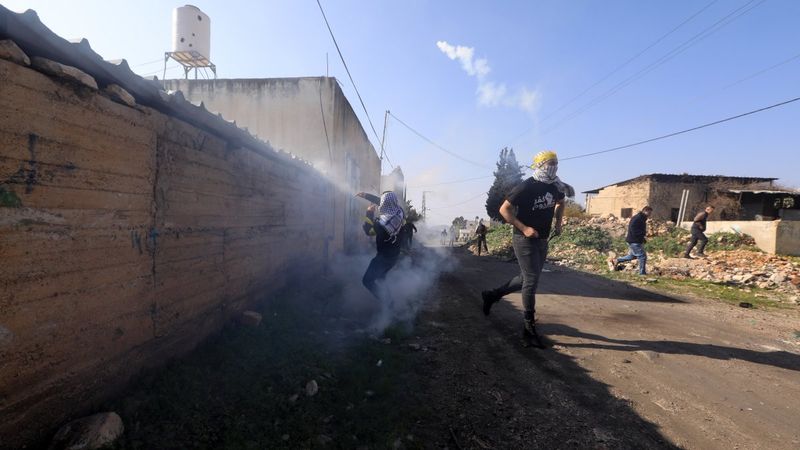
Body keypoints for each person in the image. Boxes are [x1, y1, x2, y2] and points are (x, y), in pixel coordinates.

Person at [480, 150, 573, 348]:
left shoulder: (556, 185)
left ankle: (492, 295)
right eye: (549, 163)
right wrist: (524, 228)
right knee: (531, 280)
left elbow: (561, 202)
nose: (553, 166)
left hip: (543, 239)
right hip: (523, 238)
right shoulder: (527, 186)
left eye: (556, 162)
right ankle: (528, 328)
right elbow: (504, 210)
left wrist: (558, 223)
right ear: (539, 165)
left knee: (526, 278)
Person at [362, 192, 404, 300]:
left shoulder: (381, 224)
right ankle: (389, 303)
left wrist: (369, 213)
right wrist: (367, 196)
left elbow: (369, 231)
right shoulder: (400, 212)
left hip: (382, 259)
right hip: (394, 257)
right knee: (381, 279)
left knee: (367, 281)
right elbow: (387, 202)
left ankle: (387, 302)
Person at [608, 206, 652, 275]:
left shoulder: (642, 218)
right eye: (649, 212)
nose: (650, 214)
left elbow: (638, 229)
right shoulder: (637, 218)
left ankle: (616, 260)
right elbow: (633, 229)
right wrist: (642, 234)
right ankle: (642, 273)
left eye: (650, 213)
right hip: (634, 241)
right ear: (644, 211)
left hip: (635, 240)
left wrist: (642, 238)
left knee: (632, 256)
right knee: (642, 256)